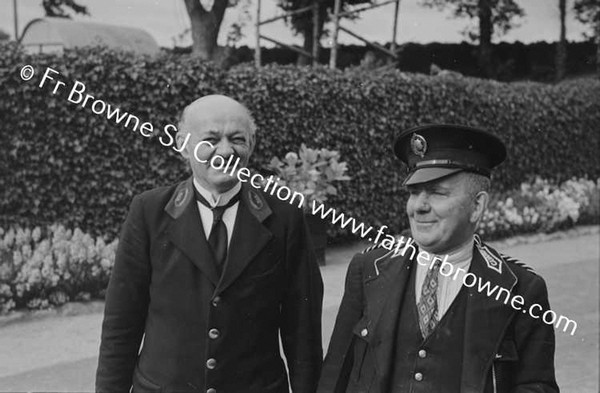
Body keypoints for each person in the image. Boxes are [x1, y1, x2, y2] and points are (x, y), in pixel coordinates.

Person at [96, 95, 324, 393]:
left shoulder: (284, 217)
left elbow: (303, 331)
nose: (225, 150)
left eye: (237, 139)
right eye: (211, 139)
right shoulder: (149, 212)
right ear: (183, 144)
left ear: (251, 145)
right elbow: (121, 324)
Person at [317, 124, 559, 393]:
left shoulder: (521, 290)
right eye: (413, 192)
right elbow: (335, 375)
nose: (418, 206)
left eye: (437, 193)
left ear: (477, 206)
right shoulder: (368, 270)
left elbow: (537, 387)